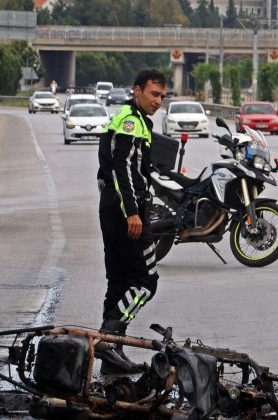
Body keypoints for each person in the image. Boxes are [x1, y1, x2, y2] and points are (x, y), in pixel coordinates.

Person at [96, 69, 167, 375]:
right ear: (137, 90)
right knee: (145, 282)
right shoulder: (130, 122)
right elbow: (121, 170)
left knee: (119, 283)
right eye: (154, 94)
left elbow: (129, 170)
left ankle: (111, 354)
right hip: (125, 212)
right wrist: (132, 212)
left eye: (163, 96)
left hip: (111, 209)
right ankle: (109, 341)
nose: (159, 101)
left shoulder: (131, 120)